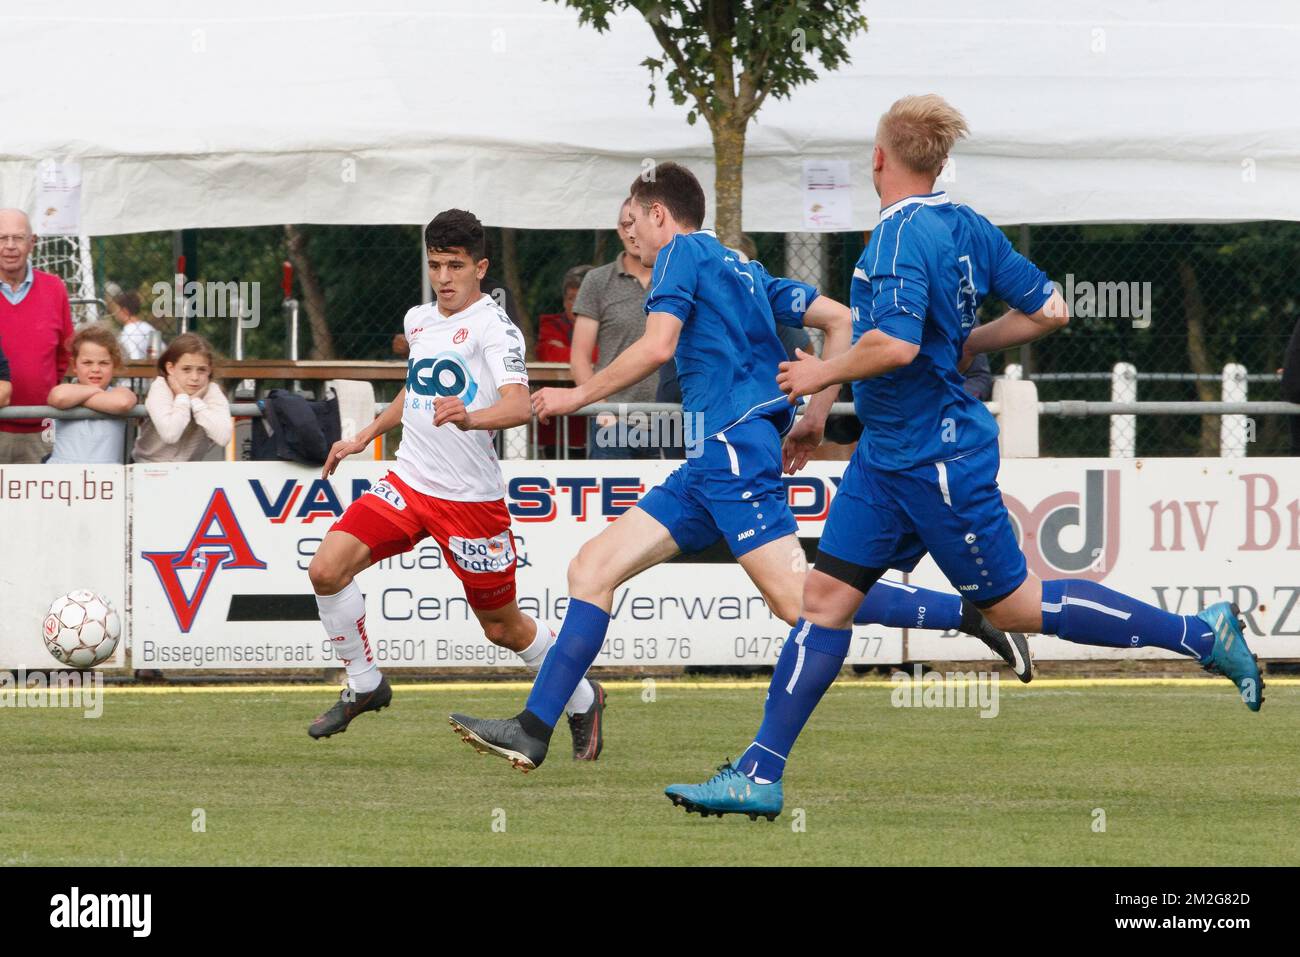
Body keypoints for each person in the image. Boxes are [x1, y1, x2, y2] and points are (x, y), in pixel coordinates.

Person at [663, 94, 1264, 819]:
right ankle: (760, 773)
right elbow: (1052, 310)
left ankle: (1201, 633)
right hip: (887, 457)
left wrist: (820, 374)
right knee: (822, 602)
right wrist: (974, 340)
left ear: (880, 158)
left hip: (937, 459)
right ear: (939, 160)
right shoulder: (967, 225)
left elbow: (900, 344)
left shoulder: (893, 241)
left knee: (1012, 603)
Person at [447, 162, 1031, 773]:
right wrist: (813, 417)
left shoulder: (677, 255)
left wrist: (575, 396)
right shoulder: (744, 269)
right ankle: (535, 726)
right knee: (592, 567)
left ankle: (971, 614)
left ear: (659, 214)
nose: (631, 237)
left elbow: (657, 346)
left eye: (633, 221)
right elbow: (841, 321)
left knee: (801, 601)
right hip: (712, 460)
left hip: (730, 451)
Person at [306, 208, 606, 759]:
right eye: (436, 265)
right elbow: (414, 389)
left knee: (503, 628)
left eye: (455, 266)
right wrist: (363, 435)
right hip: (410, 481)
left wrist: (472, 416)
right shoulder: (419, 319)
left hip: (469, 502)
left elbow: (518, 405)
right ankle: (366, 682)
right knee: (326, 569)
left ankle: (584, 698)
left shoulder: (496, 329)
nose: (444, 278)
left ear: (481, 267)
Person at [570, 199, 661, 458]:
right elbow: (579, 358)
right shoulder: (597, 280)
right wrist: (602, 410)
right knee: (611, 500)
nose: (633, 231)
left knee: (673, 498)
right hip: (613, 421)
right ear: (619, 230)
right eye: (626, 224)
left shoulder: (676, 277)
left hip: (671, 418)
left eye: (638, 223)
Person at [0, 209, 73, 464]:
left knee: (39, 504)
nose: (10, 246)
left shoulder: (54, 288)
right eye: (2, 238)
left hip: (41, 428)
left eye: (18, 238)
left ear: (33, 242)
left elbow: (65, 354)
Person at [132, 333, 233, 463]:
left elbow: (223, 437)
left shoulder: (211, 390)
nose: (195, 378)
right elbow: (170, 434)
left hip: (189, 471)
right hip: (148, 468)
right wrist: (182, 397)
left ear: (209, 370)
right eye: (186, 369)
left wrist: (196, 402)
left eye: (202, 370)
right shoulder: (160, 387)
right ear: (170, 368)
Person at [45, 324, 137, 464]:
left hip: (106, 480)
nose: (95, 369)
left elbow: (123, 403)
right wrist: (97, 392)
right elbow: (59, 397)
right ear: (74, 365)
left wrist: (80, 399)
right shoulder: (67, 389)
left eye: (104, 363)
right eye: (87, 363)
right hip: (64, 479)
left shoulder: (119, 392)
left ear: (115, 364)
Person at [535, 264, 592, 457]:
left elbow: (610, 354)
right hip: (558, 433)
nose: (576, 306)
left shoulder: (610, 325)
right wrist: (587, 353)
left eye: (582, 299)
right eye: (570, 299)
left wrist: (569, 351)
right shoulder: (551, 324)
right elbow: (549, 354)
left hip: (597, 427)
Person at [109, 290, 160, 361]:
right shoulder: (149, 327)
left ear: (124, 311)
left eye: (117, 310)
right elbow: (158, 354)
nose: (115, 313)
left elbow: (134, 359)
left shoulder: (127, 333)